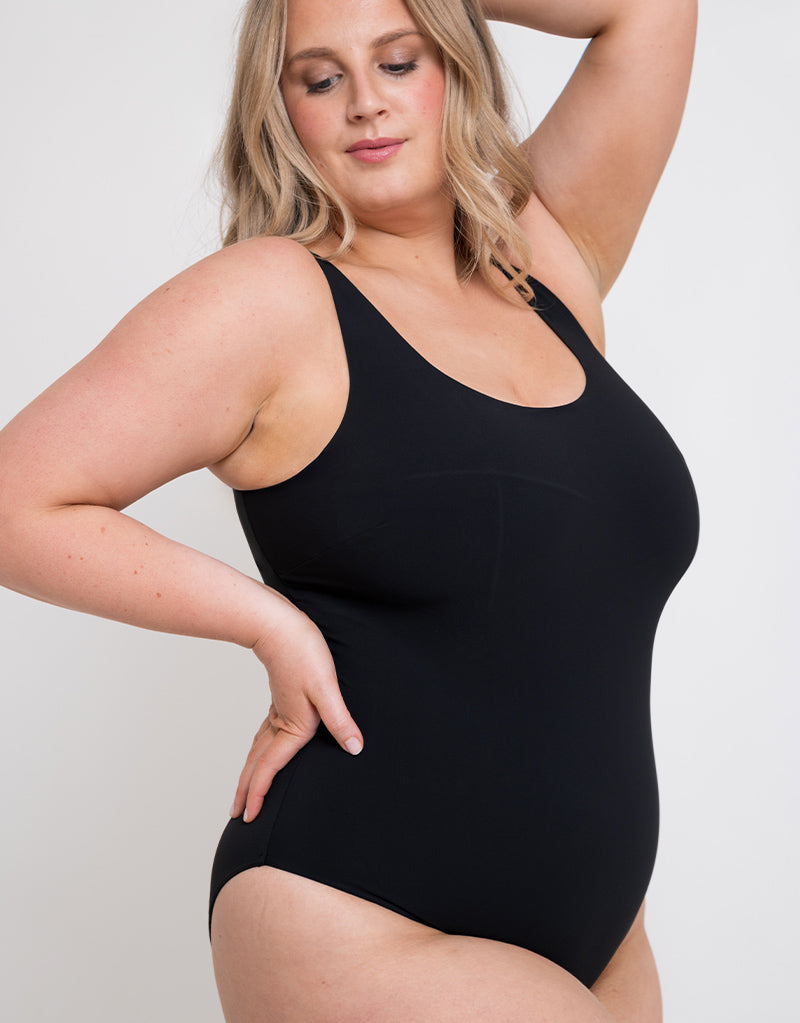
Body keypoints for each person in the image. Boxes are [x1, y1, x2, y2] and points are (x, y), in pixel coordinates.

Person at [0, 0, 700, 1019]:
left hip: (602, 931)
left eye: (400, 59)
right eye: (320, 79)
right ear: (279, 109)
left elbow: (647, 10)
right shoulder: (272, 298)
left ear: (454, 62)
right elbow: (17, 497)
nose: (365, 102)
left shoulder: (540, 261)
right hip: (357, 913)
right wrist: (265, 621)